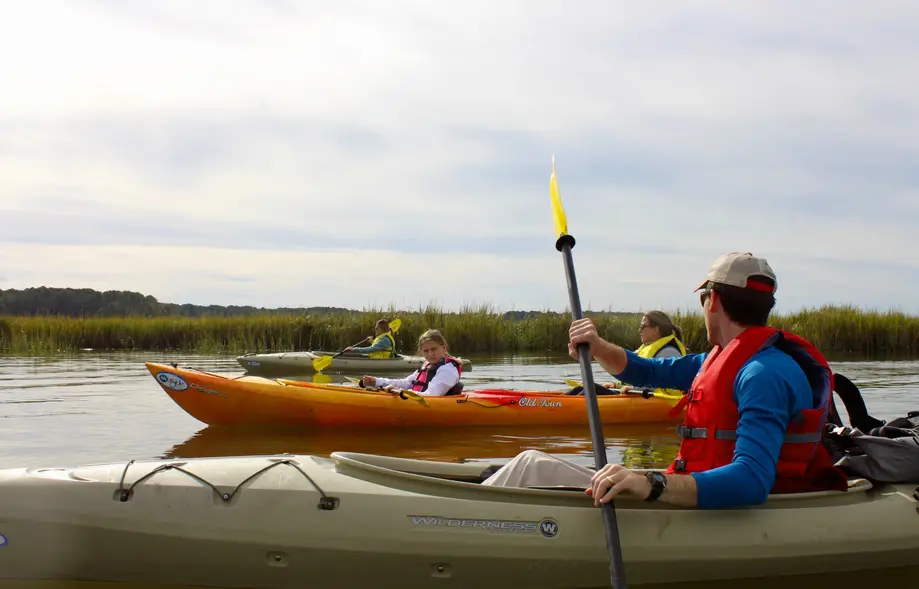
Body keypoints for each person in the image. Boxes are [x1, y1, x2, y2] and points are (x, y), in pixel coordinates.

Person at [483, 252, 849, 509]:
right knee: (532, 464)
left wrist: (652, 483)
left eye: (703, 299)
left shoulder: (762, 374)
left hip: (724, 512)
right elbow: (648, 371)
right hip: (695, 496)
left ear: (713, 301)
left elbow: (752, 480)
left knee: (530, 467)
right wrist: (597, 347)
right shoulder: (723, 359)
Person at [361, 329, 463, 396]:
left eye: (434, 349)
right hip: (415, 401)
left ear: (444, 348)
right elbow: (405, 383)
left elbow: (432, 395)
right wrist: (376, 381)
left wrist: (400, 392)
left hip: (431, 406)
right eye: (426, 351)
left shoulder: (448, 370)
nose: (430, 354)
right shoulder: (427, 366)